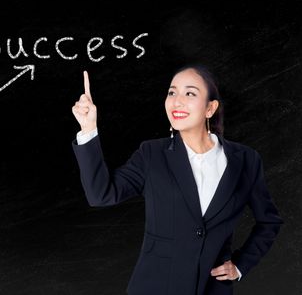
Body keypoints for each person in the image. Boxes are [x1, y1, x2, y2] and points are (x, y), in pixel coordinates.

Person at [70, 65, 283, 295]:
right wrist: (88, 128)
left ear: (210, 108)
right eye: (172, 93)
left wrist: (241, 265)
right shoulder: (151, 154)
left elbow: (269, 222)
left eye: (189, 93)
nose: (176, 101)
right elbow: (101, 194)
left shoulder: (246, 160)